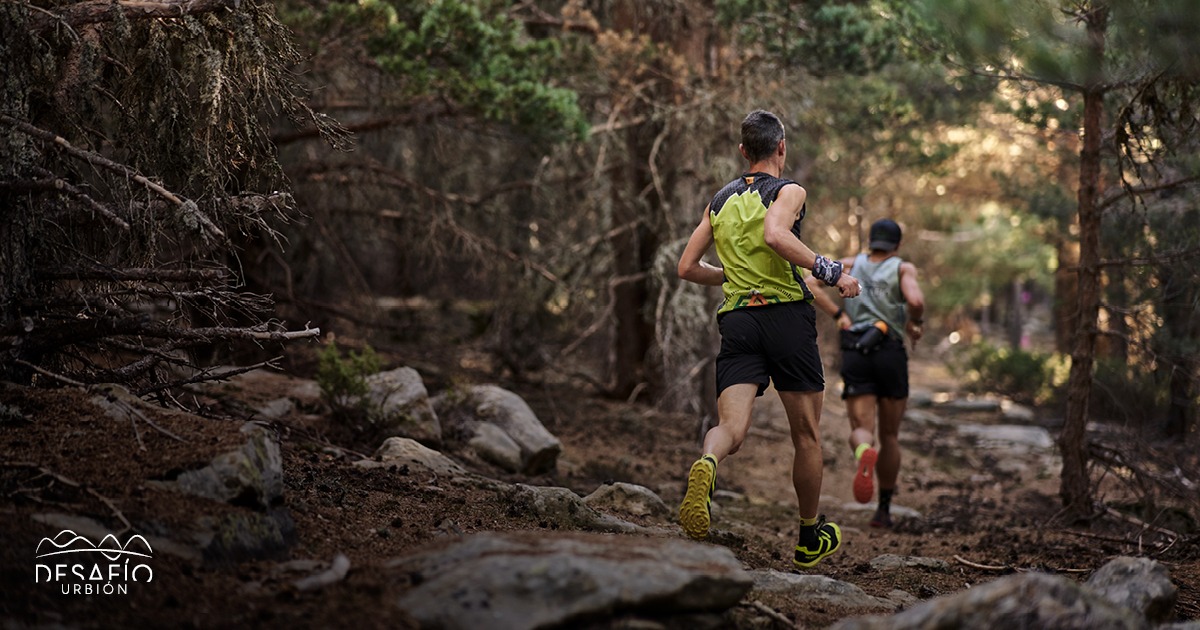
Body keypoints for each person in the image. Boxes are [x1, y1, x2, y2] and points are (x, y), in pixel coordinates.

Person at [676, 109, 861, 569]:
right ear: (781, 148)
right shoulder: (789, 190)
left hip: (738, 321)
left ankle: (709, 463)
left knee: (732, 430)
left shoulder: (719, 201)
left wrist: (733, 274)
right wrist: (830, 270)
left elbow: (686, 268)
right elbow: (776, 235)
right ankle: (808, 537)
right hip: (786, 320)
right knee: (807, 435)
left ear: (743, 151)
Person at [805, 218, 925, 528]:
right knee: (891, 435)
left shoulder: (850, 264)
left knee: (862, 426)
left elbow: (809, 281)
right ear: (896, 245)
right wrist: (915, 322)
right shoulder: (902, 268)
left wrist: (839, 315)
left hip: (856, 350)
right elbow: (916, 300)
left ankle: (863, 450)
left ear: (870, 241)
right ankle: (883, 511)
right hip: (890, 352)